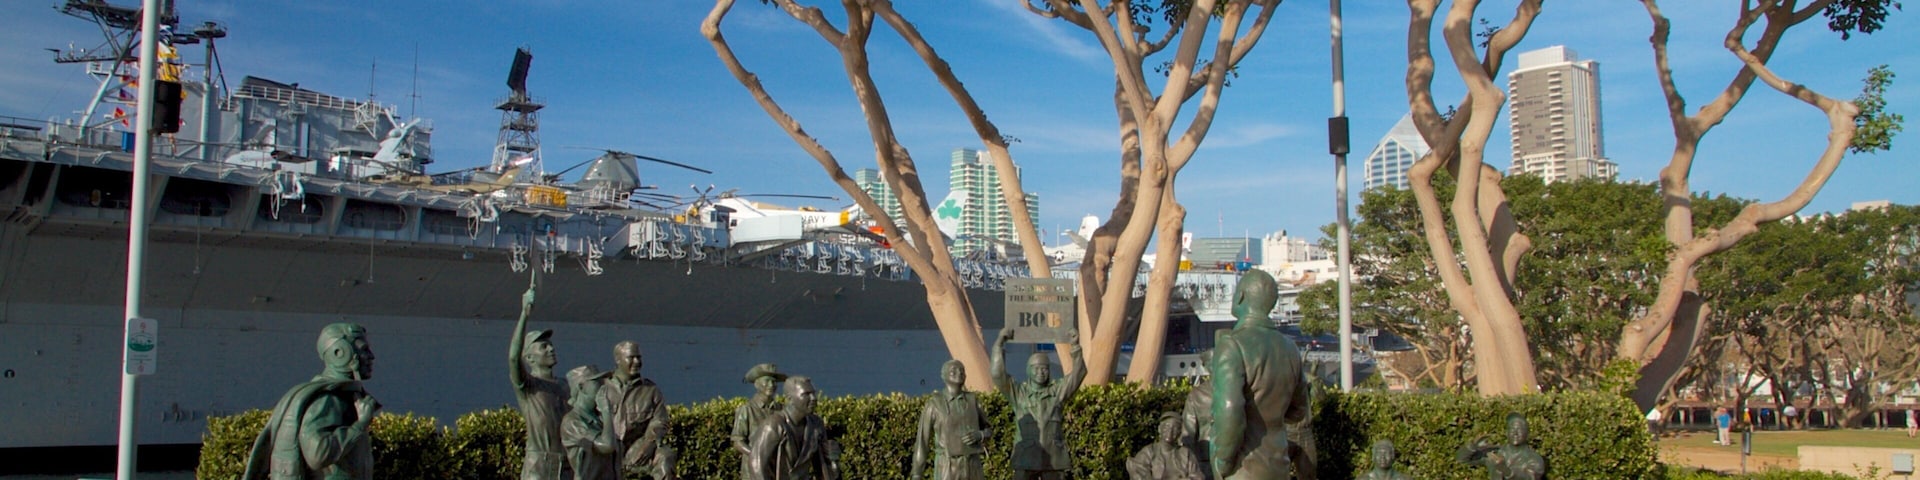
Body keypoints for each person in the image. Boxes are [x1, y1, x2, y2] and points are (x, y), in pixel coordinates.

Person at [243, 323, 381, 480]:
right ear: (340, 353)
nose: (371, 356)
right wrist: (361, 424)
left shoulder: (344, 396)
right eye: (364, 350)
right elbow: (319, 454)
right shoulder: (327, 399)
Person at [1208, 270, 1311, 480]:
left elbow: (1230, 410)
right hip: (1278, 463)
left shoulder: (1232, 344)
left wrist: (1223, 461)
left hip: (1243, 466)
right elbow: (1299, 410)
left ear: (1241, 296)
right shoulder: (1290, 348)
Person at [991, 327, 1086, 480]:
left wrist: (1075, 346)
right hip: (1025, 457)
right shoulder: (1019, 393)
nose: (1041, 372)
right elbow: (997, 374)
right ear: (1029, 370)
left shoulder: (1057, 392)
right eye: (1036, 369)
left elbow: (1078, 374)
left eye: (1044, 369)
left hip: (1053, 458)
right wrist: (999, 343)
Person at [509, 286, 569, 480]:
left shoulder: (565, 386)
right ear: (529, 357)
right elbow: (512, 358)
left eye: (550, 344)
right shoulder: (528, 386)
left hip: (566, 466)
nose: (551, 348)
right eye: (543, 346)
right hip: (538, 467)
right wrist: (524, 314)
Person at [600, 341, 676, 479]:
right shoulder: (602, 388)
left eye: (639, 357)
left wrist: (648, 444)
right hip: (604, 452)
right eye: (631, 357)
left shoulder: (651, 391)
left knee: (665, 455)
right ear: (618, 360)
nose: (636, 362)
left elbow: (660, 421)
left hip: (635, 451)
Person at [911, 360, 992, 480]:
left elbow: (989, 429)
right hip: (947, 467)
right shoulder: (934, 404)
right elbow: (922, 442)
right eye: (953, 370)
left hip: (973, 465)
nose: (959, 372)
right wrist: (917, 474)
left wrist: (980, 434)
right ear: (943, 376)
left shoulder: (973, 400)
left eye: (962, 370)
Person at [748, 375, 838, 480]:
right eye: (806, 394)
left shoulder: (816, 424)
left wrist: (833, 460)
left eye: (813, 393)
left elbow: (822, 469)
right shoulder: (773, 425)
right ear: (790, 399)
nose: (813, 398)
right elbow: (756, 464)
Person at [562, 365, 619, 480]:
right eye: (596, 382)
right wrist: (606, 411)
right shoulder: (573, 422)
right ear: (581, 387)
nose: (602, 386)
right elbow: (606, 446)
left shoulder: (600, 419)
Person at [734, 363, 788, 479]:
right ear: (757, 385)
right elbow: (738, 441)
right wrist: (756, 455)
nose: (771, 385)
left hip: (776, 469)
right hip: (753, 471)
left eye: (774, 382)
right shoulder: (747, 410)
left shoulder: (781, 409)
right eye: (767, 381)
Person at [1455, 413, 1546, 480]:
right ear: (1506, 433)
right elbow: (1461, 460)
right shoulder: (1495, 453)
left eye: (1519, 430)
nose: (1515, 433)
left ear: (1527, 434)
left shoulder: (1534, 459)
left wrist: (1506, 470)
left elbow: (1530, 478)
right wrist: (1473, 447)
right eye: (1512, 429)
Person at [1126, 412, 1205, 480]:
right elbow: (1138, 474)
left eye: (1175, 428)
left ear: (1180, 432)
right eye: (1167, 426)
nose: (1170, 431)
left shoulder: (1186, 454)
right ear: (1160, 429)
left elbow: (1198, 476)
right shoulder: (1149, 452)